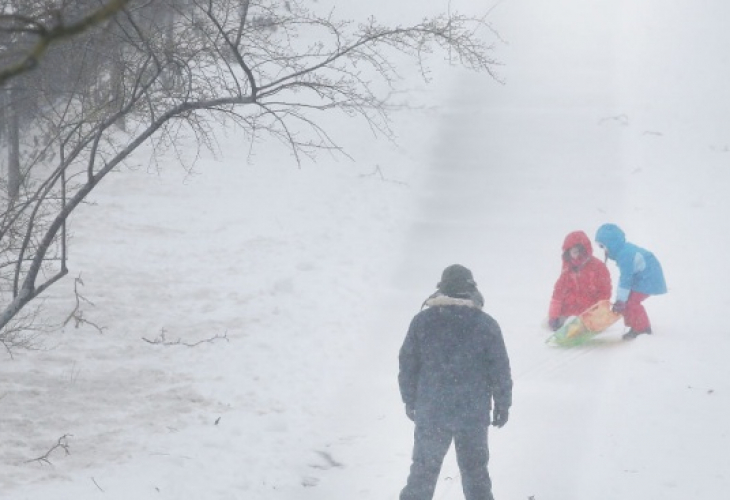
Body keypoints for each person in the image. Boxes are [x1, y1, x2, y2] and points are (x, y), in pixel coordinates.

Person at [398, 264, 513, 500]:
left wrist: (410, 400)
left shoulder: (422, 322)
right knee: (475, 474)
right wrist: (503, 404)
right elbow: (499, 368)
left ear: (441, 289)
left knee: (423, 472)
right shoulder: (486, 325)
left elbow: (408, 365)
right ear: (470, 290)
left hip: (432, 411)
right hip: (472, 413)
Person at [595, 223, 667, 340]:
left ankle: (643, 329)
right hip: (641, 276)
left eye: (604, 246)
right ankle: (635, 326)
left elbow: (625, 279)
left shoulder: (625, 255)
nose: (604, 250)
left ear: (611, 244)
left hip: (649, 278)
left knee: (631, 302)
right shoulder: (623, 251)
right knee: (626, 302)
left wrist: (620, 301)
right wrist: (621, 301)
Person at [548, 230, 612, 331]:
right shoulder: (567, 269)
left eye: (576, 251)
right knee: (560, 322)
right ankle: (565, 324)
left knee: (583, 322)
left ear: (583, 250)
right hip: (570, 311)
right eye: (571, 252)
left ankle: (582, 325)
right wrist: (553, 315)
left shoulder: (598, 267)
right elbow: (558, 293)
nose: (573, 255)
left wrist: (601, 311)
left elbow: (604, 291)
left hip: (590, 311)